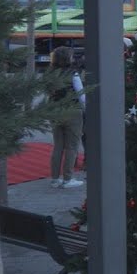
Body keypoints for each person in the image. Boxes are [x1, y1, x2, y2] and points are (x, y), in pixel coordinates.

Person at [48, 47, 86, 189]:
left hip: (54, 111)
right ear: (67, 58)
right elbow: (81, 95)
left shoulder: (50, 74)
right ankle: (68, 179)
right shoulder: (73, 74)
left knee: (58, 146)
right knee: (71, 146)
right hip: (72, 111)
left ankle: (54, 179)